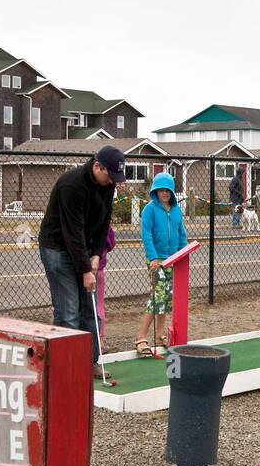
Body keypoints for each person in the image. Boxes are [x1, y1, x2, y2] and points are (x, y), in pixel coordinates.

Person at [38, 145, 125, 365]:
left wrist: (96, 255)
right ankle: (67, 366)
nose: (112, 181)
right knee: (68, 312)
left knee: (90, 310)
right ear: (97, 165)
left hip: (83, 247)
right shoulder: (72, 184)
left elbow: (104, 222)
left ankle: (90, 363)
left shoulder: (107, 185)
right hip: (57, 247)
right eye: (109, 175)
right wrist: (86, 270)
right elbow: (72, 231)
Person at [136, 172, 187, 356]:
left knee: (166, 299)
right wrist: (153, 258)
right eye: (161, 190)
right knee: (157, 297)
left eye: (168, 190)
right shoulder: (149, 210)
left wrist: (183, 253)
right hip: (157, 260)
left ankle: (158, 336)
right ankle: (141, 337)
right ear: (155, 191)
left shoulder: (176, 210)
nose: (164, 194)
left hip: (173, 259)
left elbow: (181, 233)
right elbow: (146, 235)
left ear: (172, 192)